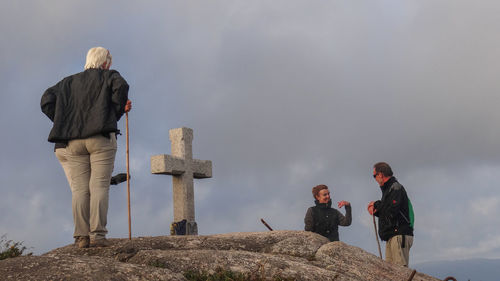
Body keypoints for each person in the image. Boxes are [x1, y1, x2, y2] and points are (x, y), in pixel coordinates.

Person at [41, 47, 131, 248]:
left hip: (73, 141)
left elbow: (46, 99)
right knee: (99, 186)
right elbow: (122, 87)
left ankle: (81, 237)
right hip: (100, 138)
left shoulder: (67, 82)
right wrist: (115, 112)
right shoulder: (110, 76)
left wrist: (62, 121)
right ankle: (98, 236)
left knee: (80, 190)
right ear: (105, 62)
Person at [367, 162, 413, 267]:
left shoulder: (396, 188)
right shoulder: (389, 189)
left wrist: (376, 205)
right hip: (392, 235)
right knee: (390, 271)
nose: (375, 179)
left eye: (374, 176)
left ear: (380, 175)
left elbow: (392, 211)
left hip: (399, 234)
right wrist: (376, 210)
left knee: (400, 272)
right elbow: (388, 211)